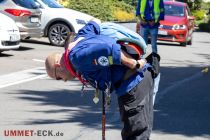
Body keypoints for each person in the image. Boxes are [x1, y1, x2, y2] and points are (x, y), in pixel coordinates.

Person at [45, 21, 160, 140]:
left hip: (135, 82)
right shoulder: (78, 41)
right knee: (136, 132)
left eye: (58, 77)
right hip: (137, 81)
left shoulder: (76, 58)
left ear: (58, 65)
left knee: (136, 135)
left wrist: (134, 64)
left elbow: (107, 48)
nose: (63, 80)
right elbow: (93, 25)